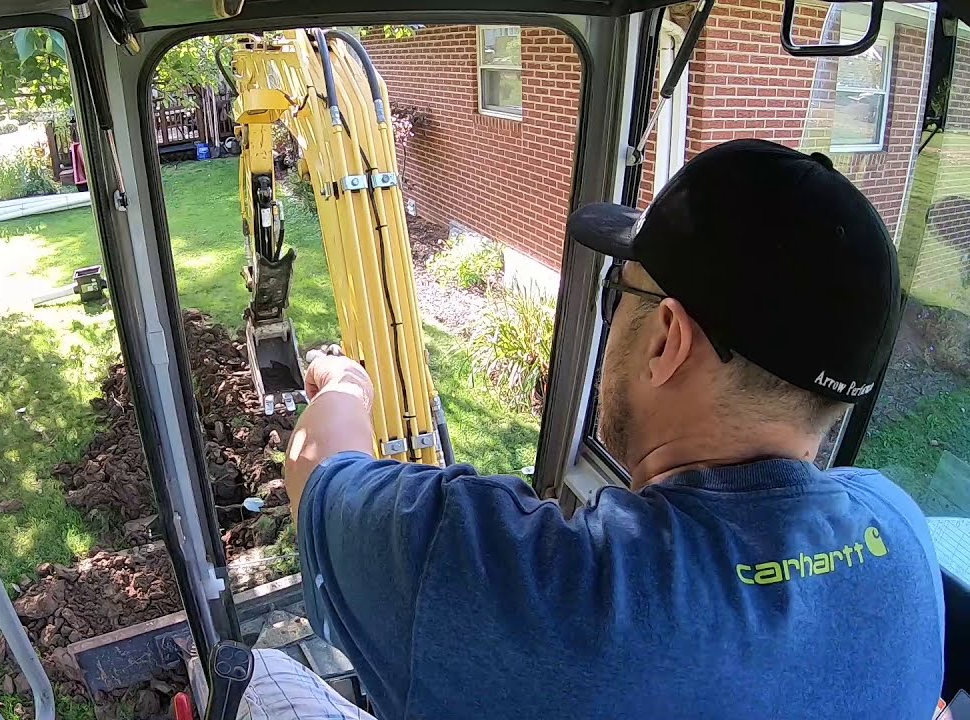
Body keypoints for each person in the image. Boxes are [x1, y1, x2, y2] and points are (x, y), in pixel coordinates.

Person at [283, 139, 946, 719]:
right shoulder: (901, 537)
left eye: (616, 293)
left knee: (266, 682)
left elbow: (317, 476)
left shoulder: (525, 585)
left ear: (668, 339)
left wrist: (347, 385)